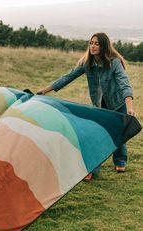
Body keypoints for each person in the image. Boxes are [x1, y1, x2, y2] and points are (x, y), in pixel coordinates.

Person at [37, 32, 136, 181]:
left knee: (119, 134)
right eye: (91, 43)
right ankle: (92, 168)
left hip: (118, 104)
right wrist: (45, 90)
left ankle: (120, 161)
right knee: (98, 136)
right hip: (99, 106)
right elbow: (68, 77)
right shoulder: (87, 63)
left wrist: (129, 107)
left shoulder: (114, 62)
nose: (93, 46)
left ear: (103, 46)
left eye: (97, 44)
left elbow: (124, 85)